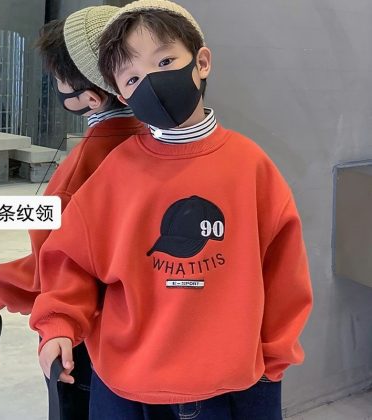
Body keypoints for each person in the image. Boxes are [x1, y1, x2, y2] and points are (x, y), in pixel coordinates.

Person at [30, 1, 313, 419]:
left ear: (202, 62)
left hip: (229, 386)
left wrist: (273, 359)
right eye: (132, 78)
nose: (152, 82)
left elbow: (284, 271)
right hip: (125, 385)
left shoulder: (250, 167)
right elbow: (71, 259)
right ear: (121, 94)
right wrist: (58, 323)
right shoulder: (115, 171)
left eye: (165, 61)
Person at [0, 5, 145, 419]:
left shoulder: (84, 166)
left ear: (90, 97)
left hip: (84, 340)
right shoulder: (156, 143)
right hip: (143, 340)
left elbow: (54, 261)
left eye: (59, 79)